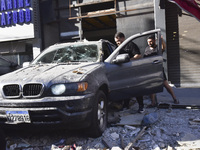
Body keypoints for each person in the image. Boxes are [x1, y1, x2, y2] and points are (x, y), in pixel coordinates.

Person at [144, 35, 179, 107]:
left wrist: (162, 40)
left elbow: (163, 47)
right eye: (148, 42)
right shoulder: (147, 49)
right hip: (151, 71)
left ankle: (175, 98)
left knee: (166, 85)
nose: (149, 43)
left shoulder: (158, 48)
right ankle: (153, 102)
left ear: (154, 41)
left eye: (151, 41)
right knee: (152, 87)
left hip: (158, 70)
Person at [114, 32, 144, 113]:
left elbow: (138, 55)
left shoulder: (130, 45)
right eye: (116, 42)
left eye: (119, 41)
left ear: (123, 38)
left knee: (136, 89)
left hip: (133, 70)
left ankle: (141, 106)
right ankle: (126, 105)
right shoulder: (118, 48)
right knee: (126, 89)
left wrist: (128, 61)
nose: (118, 43)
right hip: (124, 72)